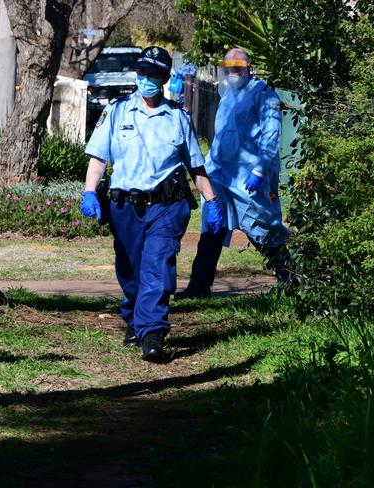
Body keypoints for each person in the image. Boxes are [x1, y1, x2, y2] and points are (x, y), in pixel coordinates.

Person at [80, 46, 223, 362]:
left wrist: (210, 200)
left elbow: (195, 167)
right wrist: (90, 191)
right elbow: (98, 158)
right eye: (142, 73)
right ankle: (134, 320)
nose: (146, 80)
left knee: (157, 265)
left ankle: (152, 333)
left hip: (166, 207)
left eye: (153, 75)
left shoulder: (177, 118)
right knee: (130, 269)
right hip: (124, 208)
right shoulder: (116, 112)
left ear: (163, 79)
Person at [175, 48, 290, 299]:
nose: (233, 72)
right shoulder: (227, 95)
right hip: (221, 175)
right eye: (228, 67)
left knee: (262, 228)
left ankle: (291, 278)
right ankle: (198, 287)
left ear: (249, 67)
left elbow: (271, 134)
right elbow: (221, 136)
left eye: (238, 66)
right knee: (212, 230)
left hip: (249, 178)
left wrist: (259, 169)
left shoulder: (263, 94)